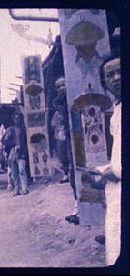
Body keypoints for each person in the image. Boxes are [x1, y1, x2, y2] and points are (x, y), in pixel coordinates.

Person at [86, 56, 121, 265]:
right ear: (104, 82)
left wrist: (110, 172)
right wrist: (104, 169)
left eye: (121, 71)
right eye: (110, 75)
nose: (117, 78)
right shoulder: (116, 112)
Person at [51, 77, 78, 225]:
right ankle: (77, 209)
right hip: (68, 142)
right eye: (58, 86)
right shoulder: (58, 105)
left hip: (81, 139)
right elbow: (57, 132)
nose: (61, 88)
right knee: (74, 177)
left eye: (63, 85)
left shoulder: (76, 97)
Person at [8, 112, 29, 196]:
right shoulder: (11, 130)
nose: (16, 120)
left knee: (21, 170)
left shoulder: (24, 130)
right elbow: (6, 142)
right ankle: (17, 189)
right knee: (14, 172)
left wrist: (23, 151)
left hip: (22, 152)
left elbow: (26, 142)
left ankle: (24, 188)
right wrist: (12, 144)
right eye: (15, 118)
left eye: (18, 118)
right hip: (13, 152)